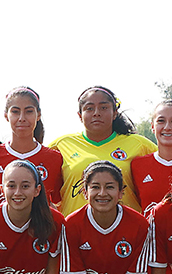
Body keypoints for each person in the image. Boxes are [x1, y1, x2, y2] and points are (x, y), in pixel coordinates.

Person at [49, 86, 157, 215]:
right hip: (75, 230)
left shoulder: (139, 144)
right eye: (89, 108)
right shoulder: (62, 145)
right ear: (80, 115)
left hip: (125, 229)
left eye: (104, 108)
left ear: (115, 113)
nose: (96, 113)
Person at [0, 87, 64, 208]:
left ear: (38, 115)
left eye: (29, 111)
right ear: (6, 116)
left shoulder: (55, 158)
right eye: (15, 111)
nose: (22, 118)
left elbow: (59, 202)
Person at [131, 100, 172, 214]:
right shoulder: (137, 165)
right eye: (161, 121)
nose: (167, 127)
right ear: (153, 126)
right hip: (151, 231)